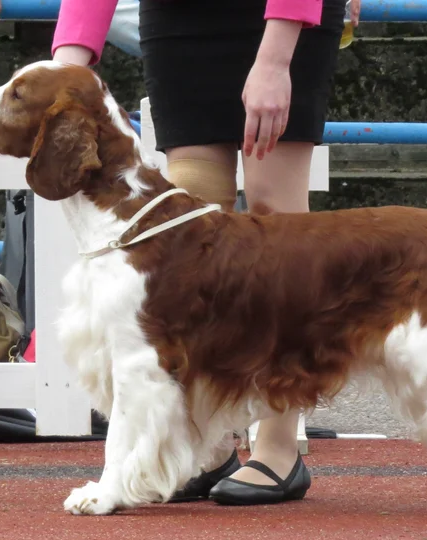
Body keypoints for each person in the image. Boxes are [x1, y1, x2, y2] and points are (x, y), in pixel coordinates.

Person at [51, 0, 360, 505]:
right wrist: (67, 68)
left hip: (281, 18)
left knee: (274, 219)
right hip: (180, 20)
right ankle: (206, 446)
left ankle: (279, 447)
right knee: (189, 222)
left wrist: (276, 61)